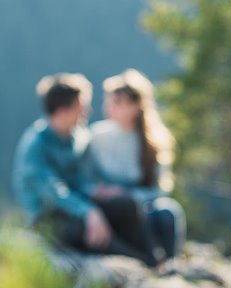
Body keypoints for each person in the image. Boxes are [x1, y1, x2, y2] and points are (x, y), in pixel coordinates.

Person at [13, 72, 157, 266]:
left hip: (79, 205)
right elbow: (53, 192)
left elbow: (83, 180)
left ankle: (153, 258)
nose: (87, 112)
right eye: (81, 107)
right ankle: (139, 263)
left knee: (126, 205)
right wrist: (89, 211)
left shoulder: (78, 138)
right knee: (85, 228)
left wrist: (97, 191)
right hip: (48, 219)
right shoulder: (35, 146)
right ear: (63, 111)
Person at [89, 69, 186, 260]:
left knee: (168, 212)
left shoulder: (154, 141)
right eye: (109, 101)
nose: (109, 108)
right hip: (110, 207)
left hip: (143, 205)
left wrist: (127, 194)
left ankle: (169, 266)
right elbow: (85, 176)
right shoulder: (97, 136)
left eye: (117, 103)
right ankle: (150, 261)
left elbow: (159, 189)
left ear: (136, 106)